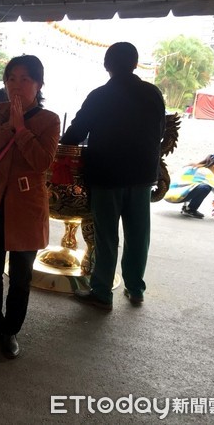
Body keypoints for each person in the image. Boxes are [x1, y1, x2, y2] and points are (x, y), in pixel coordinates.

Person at [0, 55, 60, 359]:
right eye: (11, 79)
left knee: (20, 278)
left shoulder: (49, 120)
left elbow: (42, 162)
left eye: (25, 79)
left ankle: (11, 331)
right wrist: (8, 127)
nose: (16, 85)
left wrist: (22, 130)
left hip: (27, 209)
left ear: (38, 84)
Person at [60, 42, 165, 311]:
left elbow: (76, 131)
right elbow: (160, 131)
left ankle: (102, 292)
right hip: (142, 176)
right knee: (138, 234)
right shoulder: (153, 93)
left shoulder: (100, 96)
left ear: (107, 65)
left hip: (107, 176)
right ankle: (135, 288)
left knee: (106, 236)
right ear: (135, 63)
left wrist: (62, 142)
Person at [164, 154, 214, 218]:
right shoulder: (207, 173)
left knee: (193, 185)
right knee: (206, 187)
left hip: (167, 194)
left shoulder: (192, 167)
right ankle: (190, 209)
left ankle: (186, 207)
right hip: (176, 197)